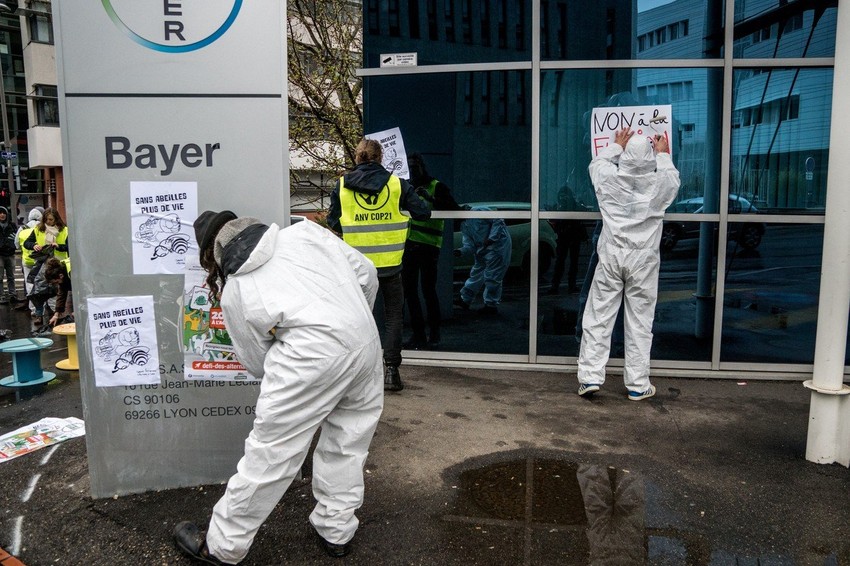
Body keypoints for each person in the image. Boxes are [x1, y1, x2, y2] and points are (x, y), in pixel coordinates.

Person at [173, 211, 384, 565]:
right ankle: (336, 529)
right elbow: (368, 275)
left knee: (272, 452)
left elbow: (256, 362)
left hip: (307, 359)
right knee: (349, 441)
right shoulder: (307, 234)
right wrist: (349, 320)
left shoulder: (237, 289)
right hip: (363, 342)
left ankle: (222, 546)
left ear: (214, 256)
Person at [577, 128, 680, 401]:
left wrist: (616, 147)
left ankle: (589, 377)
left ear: (624, 158)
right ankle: (637, 384)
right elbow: (671, 176)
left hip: (612, 256)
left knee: (599, 316)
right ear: (650, 158)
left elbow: (596, 164)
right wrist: (662, 154)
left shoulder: (609, 179)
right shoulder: (660, 184)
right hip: (643, 260)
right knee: (639, 321)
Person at [327, 138, 431, 392]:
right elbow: (423, 213)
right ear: (380, 157)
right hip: (390, 265)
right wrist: (415, 197)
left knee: (357, 318)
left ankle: (357, 375)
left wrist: (353, 233)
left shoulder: (342, 185)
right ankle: (392, 373)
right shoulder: (397, 185)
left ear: (357, 157)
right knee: (393, 316)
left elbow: (332, 221)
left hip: (357, 267)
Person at [401, 153, 462, 349]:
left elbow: (455, 210)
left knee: (428, 291)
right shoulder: (407, 187)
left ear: (422, 167)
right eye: (409, 167)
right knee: (410, 291)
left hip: (428, 246)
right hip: (410, 245)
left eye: (415, 166)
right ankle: (419, 334)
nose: (412, 170)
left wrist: (431, 198)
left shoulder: (436, 186)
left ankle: (434, 333)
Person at [453, 207, 512, 315]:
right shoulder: (464, 225)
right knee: (477, 274)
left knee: (492, 276)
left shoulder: (477, 211)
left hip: (497, 247)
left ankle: (490, 305)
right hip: (485, 249)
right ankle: (466, 300)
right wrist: (460, 251)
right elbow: (469, 245)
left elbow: (498, 219)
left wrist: (491, 239)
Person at [23, 207, 69, 326]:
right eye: (47, 219)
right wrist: (34, 245)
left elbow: (70, 246)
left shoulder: (64, 230)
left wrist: (59, 246)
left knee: (57, 290)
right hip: (43, 264)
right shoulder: (39, 229)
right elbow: (26, 243)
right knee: (39, 290)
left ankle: (56, 313)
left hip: (59, 264)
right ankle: (39, 314)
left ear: (56, 219)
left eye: (51, 219)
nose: (49, 222)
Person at [547, 185, 587, 295]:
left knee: (564, 261)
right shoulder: (571, 205)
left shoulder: (563, 206)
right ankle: (568, 285)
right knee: (568, 261)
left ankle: (558, 285)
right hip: (569, 235)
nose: (563, 198)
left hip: (567, 235)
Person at [15, 207, 44, 314]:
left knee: (29, 285)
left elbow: (16, 244)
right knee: (41, 283)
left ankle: (33, 309)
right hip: (39, 259)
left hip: (27, 261)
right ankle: (43, 308)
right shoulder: (41, 227)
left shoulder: (22, 228)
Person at [0, 206, 19, 304]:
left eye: (4, 213)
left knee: (11, 275)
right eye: (0, 213)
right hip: (0, 254)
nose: (2, 215)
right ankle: (1, 296)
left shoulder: (12, 225)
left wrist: (13, 246)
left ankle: (12, 294)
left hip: (10, 253)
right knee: (0, 277)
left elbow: (16, 237)